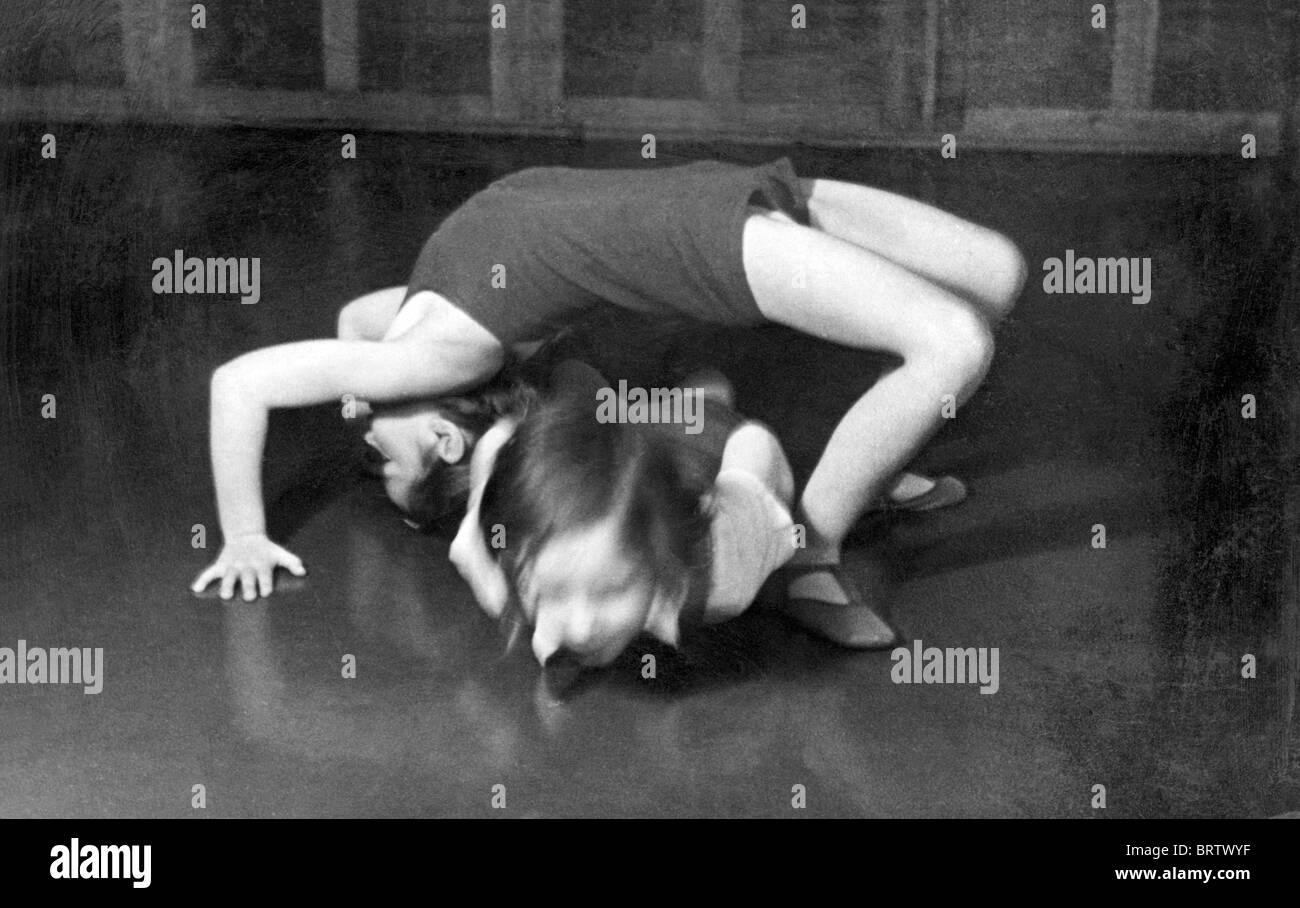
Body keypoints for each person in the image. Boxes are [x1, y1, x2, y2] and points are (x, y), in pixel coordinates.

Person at [191, 157, 1026, 624]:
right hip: (708, 237)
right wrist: (243, 538)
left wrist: (355, 373)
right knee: (955, 341)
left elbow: (347, 325)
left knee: (998, 272)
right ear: (445, 437)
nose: (364, 439)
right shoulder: (434, 359)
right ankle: (812, 551)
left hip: (725, 192)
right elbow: (239, 384)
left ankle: (865, 462)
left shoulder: (403, 326)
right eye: (386, 468)